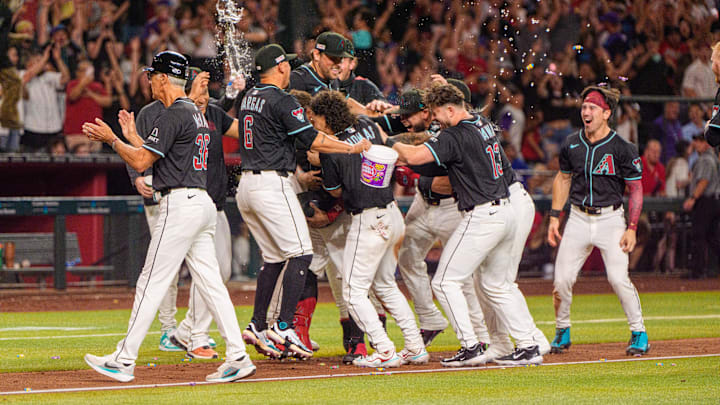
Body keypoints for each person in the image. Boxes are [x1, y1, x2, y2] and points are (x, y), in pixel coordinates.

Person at [81, 51, 256, 383]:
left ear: (162, 79)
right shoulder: (193, 112)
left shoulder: (174, 113)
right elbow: (163, 155)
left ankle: (123, 359)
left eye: (151, 75)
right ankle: (238, 356)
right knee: (212, 285)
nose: (148, 80)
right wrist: (133, 136)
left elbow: (143, 162)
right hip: (201, 203)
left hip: (181, 204)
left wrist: (113, 140)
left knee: (151, 280)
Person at [393, 84, 544, 366]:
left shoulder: (455, 134)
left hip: (484, 213)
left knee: (444, 281)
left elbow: (413, 157)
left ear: (451, 109)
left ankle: (471, 346)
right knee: (495, 284)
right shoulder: (481, 122)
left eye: (438, 113)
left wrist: (389, 143)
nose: (435, 119)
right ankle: (528, 345)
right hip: (506, 209)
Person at [236, 44, 370, 359]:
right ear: (281, 68)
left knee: (273, 258)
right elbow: (313, 139)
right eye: (288, 67)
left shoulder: (249, 97)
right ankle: (283, 327)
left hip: (246, 185)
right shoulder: (282, 100)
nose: (292, 72)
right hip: (273, 183)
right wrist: (350, 148)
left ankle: (257, 324)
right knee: (302, 253)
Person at [312, 90, 427, 368]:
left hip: (367, 221)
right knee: (385, 285)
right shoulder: (365, 124)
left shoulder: (330, 148)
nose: (312, 122)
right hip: (391, 212)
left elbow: (335, 190)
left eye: (314, 117)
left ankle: (384, 348)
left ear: (326, 119)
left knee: (352, 291)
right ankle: (414, 346)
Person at [547, 85, 649, 356]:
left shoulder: (623, 148)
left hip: (611, 219)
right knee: (561, 280)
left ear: (606, 113)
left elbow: (636, 189)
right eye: (584, 107)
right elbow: (563, 178)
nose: (586, 112)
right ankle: (562, 329)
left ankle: (639, 331)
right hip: (578, 218)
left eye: (592, 107)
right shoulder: (571, 143)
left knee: (618, 278)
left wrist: (632, 227)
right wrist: (555, 217)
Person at [682, 134, 720, 279]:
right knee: (712, 237)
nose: (696, 143)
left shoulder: (706, 159)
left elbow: (703, 182)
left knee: (699, 235)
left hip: (705, 201)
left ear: (706, 143)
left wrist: (692, 198)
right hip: (713, 201)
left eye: (699, 141)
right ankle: (707, 269)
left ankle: (698, 271)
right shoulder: (711, 158)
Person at [289, 31, 351, 96]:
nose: (338, 64)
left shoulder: (333, 79)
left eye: (340, 59)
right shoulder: (297, 80)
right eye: (333, 58)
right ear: (317, 55)